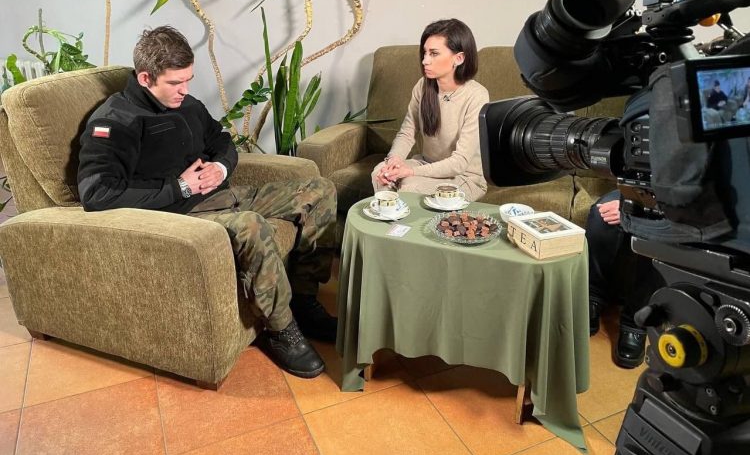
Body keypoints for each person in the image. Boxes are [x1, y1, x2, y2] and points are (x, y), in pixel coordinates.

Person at [77, 26, 337, 379]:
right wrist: (180, 187)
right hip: (177, 215)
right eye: (175, 82)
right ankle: (281, 330)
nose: (185, 90)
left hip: (220, 196)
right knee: (250, 225)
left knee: (319, 190)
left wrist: (220, 167)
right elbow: (97, 194)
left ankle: (304, 301)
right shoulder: (113, 122)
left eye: (188, 79)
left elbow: (222, 141)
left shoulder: (186, 105)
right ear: (145, 78)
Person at [371, 19, 489, 199]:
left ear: (458, 58)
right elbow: (407, 133)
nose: (425, 61)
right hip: (426, 164)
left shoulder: (477, 95)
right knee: (380, 173)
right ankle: (389, 217)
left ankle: (398, 215)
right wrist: (394, 161)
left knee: (410, 186)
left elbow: (459, 162)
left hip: (464, 177)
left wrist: (410, 172)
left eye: (434, 54)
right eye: (425, 53)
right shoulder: (423, 86)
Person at [587, 190, 665, 368]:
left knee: (656, 237)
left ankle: (635, 323)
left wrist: (638, 210)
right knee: (600, 216)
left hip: (671, 203)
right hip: (638, 189)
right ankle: (592, 297)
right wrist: (627, 202)